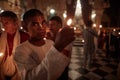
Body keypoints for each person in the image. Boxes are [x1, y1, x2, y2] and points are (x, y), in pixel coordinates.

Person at [14, 9, 75, 80]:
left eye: (43, 23)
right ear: (25, 27)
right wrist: (57, 48)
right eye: (35, 24)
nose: (41, 27)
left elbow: (59, 68)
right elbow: (31, 77)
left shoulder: (51, 43)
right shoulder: (21, 50)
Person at [0, 11, 29, 80]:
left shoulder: (25, 37)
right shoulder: (0, 37)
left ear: (15, 23)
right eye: (2, 23)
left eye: (6, 23)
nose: (4, 26)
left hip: (19, 73)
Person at [48, 16, 73, 80]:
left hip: (62, 69)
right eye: (49, 25)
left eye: (53, 25)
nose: (50, 27)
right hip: (49, 68)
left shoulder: (65, 39)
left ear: (59, 25)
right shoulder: (47, 37)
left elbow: (65, 56)